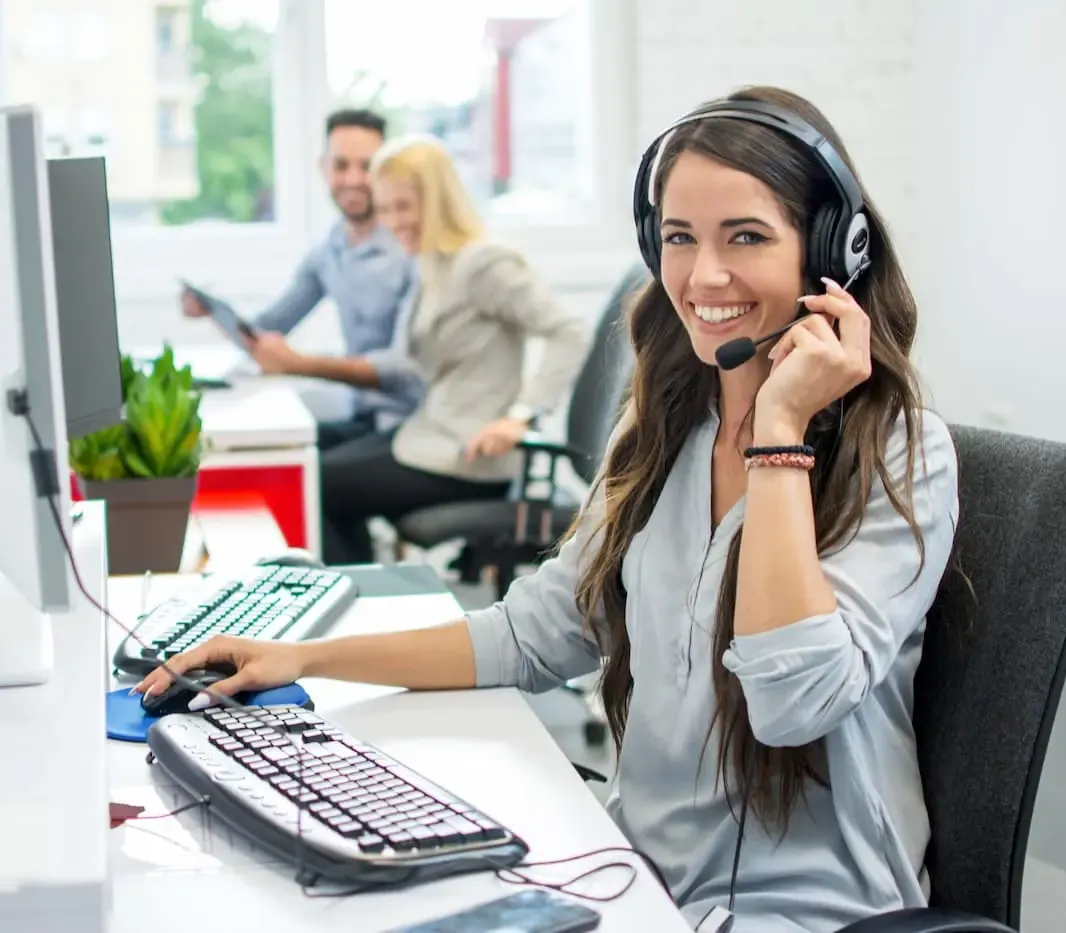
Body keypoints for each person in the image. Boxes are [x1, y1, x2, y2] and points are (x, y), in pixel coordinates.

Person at [136, 86, 960, 932]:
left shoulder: (902, 455)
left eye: (745, 236)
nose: (704, 276)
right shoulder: (668, 431)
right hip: (638, 870)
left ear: (832, 250)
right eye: (679, 238)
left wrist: (780, 433)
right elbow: (534, 631)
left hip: (801, 911)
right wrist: (304, 658)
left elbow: (793, 707)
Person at [246, 134, 591, 566]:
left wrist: (520, 416)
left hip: (469, 457)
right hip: (430, 435)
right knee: (309, 472)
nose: (391, 221)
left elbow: (568, 330)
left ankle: (356, 608)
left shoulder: (484, 263)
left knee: (313, 487)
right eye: (385, 208)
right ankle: (362, 598)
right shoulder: (432, 261)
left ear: (439, 201)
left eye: (404, 208)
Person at [181, 108, 415, 450]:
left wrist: (298, 364)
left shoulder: (409, 248)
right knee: (259, 456)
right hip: (361, 418)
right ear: (323, 167)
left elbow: (404, 369)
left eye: (366, 166)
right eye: (341, 165)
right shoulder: (329, 251)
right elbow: (269, 329)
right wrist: (212, 312)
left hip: (406, 426)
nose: (352, 179)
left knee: (306, 478)